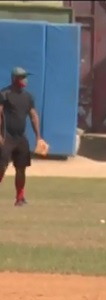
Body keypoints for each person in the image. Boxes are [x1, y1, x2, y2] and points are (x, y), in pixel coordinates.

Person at [0, 67, 42, 207]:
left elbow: (33, 116)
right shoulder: (4, 94)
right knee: (1, 167)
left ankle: (20, 197)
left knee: (21, 168)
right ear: (14, 79)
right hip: (6, 137)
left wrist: (38, 137)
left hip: (20, 138)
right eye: (22, 77)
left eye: (25, 77)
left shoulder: (27, 97)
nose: (25, 80)